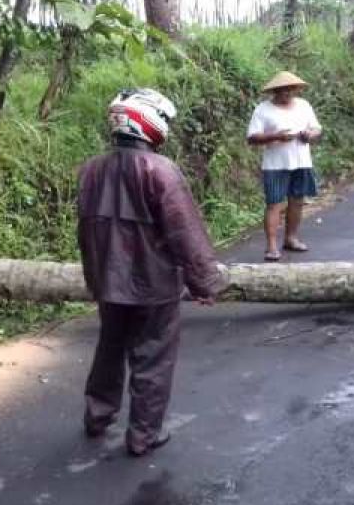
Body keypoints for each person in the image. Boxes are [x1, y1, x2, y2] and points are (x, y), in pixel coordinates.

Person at [76, 88, 226, 457]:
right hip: (153, 284)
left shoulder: (91, 169)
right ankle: (143, 435)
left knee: (109, 348)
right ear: (150, 122)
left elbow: (85, 230)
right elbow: (184, 232)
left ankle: (97, 416)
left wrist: (95, 276)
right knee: (153, 357)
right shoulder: (161, 170)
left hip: (107, 282)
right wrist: (205, 282)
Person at [247, 71, 322, 261]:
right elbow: (252, 137)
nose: (287, 93)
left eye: (291, 89)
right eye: (283, 90)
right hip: (275, 165)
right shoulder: (263, 110)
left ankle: (291, 238)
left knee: (297, 201)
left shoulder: (304, 106)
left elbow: (316, 128)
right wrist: (276, 136)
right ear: (275, 91)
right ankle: (271, 246)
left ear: (296, 89)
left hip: (301, 161)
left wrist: (309, 135)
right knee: (274, 204)